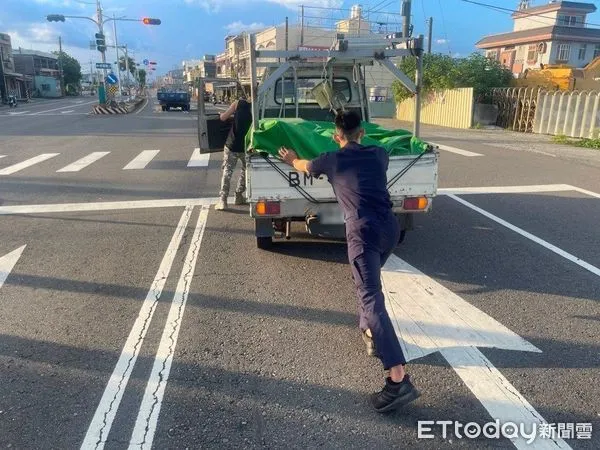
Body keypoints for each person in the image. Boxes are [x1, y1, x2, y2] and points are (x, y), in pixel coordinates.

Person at [278, 110, 420, 413]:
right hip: (389, 230)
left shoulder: (331, 160)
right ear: (362, 133)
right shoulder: (379, 154)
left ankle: (398, 380)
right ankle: (369, 331)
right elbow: (374, 148)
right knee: (367, 290)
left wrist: (291, 158)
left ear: (335, 135)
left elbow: (303, 166)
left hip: (363, 232)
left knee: (371, 297)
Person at [215, 93, 253, 210]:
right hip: (247, 146)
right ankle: (239, 195)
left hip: (232, 145)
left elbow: (223, 118)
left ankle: (223, 200)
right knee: (247, 171)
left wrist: (221, 114)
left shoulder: (237, 103)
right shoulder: (257, 107)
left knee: (227, 172)